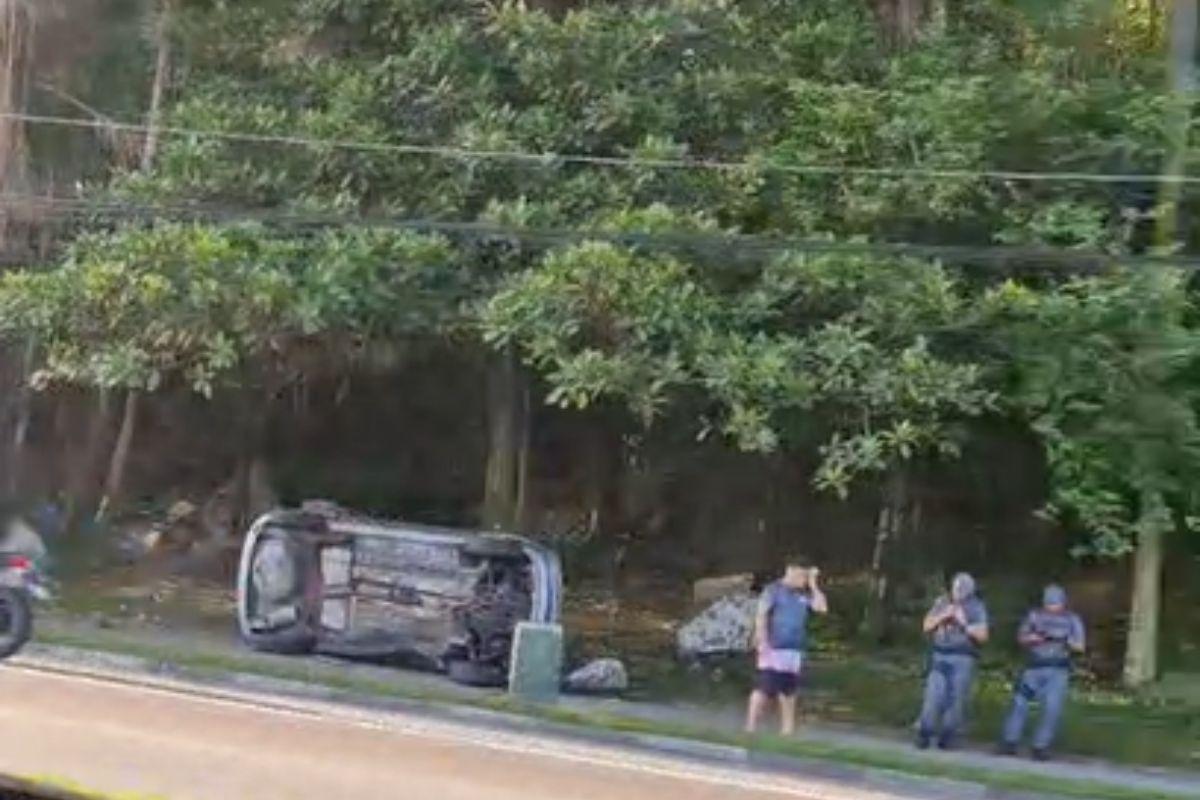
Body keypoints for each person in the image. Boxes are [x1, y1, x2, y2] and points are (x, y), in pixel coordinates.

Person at [999, 584, 1085, 761]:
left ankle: (1041, 746)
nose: (1052, 607)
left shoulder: (1072, 620)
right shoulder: (1035, 616)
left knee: (1052, 708)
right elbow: (1021, 638)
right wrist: (1035, 638)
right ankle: (1009, 741)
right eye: (1049, 603)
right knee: (1019, 703)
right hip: (1033, 668)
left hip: (1058, 669)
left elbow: (1080, 646)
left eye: (1056, 603)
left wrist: (1064, 640)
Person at [745, 558, 828, 735]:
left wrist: (813, 585)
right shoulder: (774, 590)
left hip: (793, 648)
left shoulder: (803, 594)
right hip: (774, 646)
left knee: (789, 690)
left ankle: (787, 730)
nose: (804, 580)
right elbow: (762, 615)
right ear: (792, 571)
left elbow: (821, 608)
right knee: (764, 687)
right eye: (803, 576)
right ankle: (751, 727)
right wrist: (762, 640)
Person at [916, 572, 989, 750]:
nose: (958, 593)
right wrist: (943, 616)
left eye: (962, 590)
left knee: (956, 698)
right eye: (956, 589)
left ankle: (947, 736)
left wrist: (963, 623)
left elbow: (983, 636)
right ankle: (925, 732)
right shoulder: (942, 602)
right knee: (933, 694)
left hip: (963, 657)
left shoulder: (976, 607)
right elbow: (926, 626)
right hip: (940, 654)